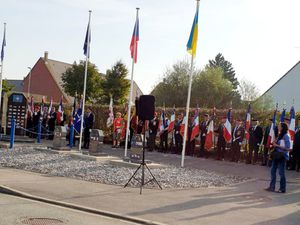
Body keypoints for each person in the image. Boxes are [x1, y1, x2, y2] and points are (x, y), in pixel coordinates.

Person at [265, 122, 292, 193]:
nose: (278, 127)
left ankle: (282, 189)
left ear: (282, 127)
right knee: (272, 171)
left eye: (279, 126)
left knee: (281, 173)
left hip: (282, 156)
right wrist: (273, 144)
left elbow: (288, 148)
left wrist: (277, 145)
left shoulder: (286, 136)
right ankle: (272, 187)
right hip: (276, 155)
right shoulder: (280, 135)